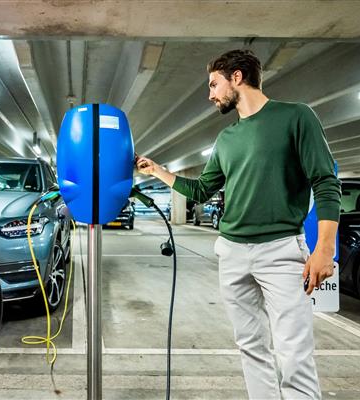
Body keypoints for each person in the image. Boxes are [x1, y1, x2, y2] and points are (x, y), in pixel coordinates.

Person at [136, 49, 340, 399]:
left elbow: (325, 181)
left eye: (214, 84)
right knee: (250, 347)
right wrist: (158, 171)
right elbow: (200, 190)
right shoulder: (226, 139)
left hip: (280, 250)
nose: (210, 94)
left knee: (293, 353)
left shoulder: (296, 117)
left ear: (237, 77)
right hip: (231, 252)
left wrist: (324, 248)